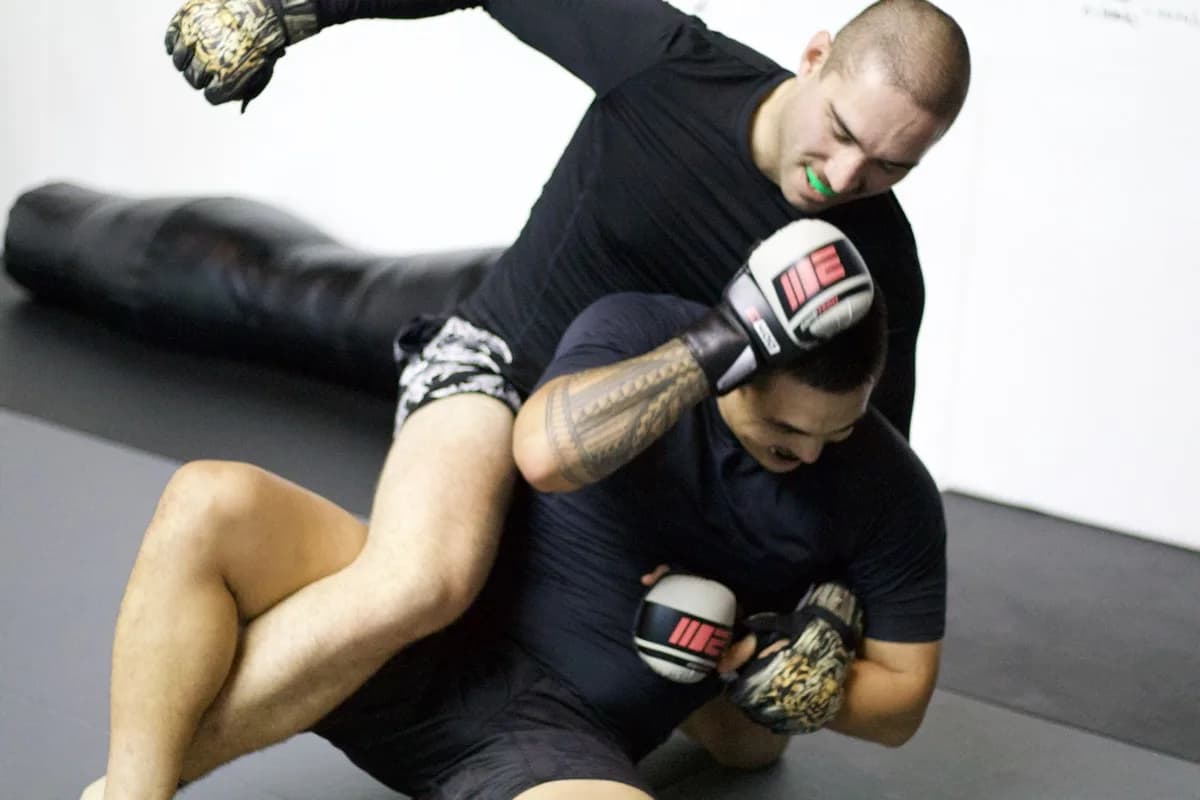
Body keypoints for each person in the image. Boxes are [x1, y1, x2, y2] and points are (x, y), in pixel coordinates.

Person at [91, 2, 969, 797]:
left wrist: (821, 622)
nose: (846, 176)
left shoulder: (874, 266)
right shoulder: (670, 67)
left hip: (640, 451)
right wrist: (299, 10)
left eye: (892, 163)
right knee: (424, 578)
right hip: (504, 376)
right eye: (843, 131)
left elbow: (857, 459)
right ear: (814, 57)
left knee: (724, 706)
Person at [86, 223, 946, 798]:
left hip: (554, 744)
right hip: (407, 648)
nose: (808, 454)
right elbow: (546, 451)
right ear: (736, 365)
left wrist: (768, 663)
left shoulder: (889, 494)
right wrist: (709, 348)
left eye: (834, 433)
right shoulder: (642, 333)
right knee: (210, 497)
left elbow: (904, 705)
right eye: (784, 428)